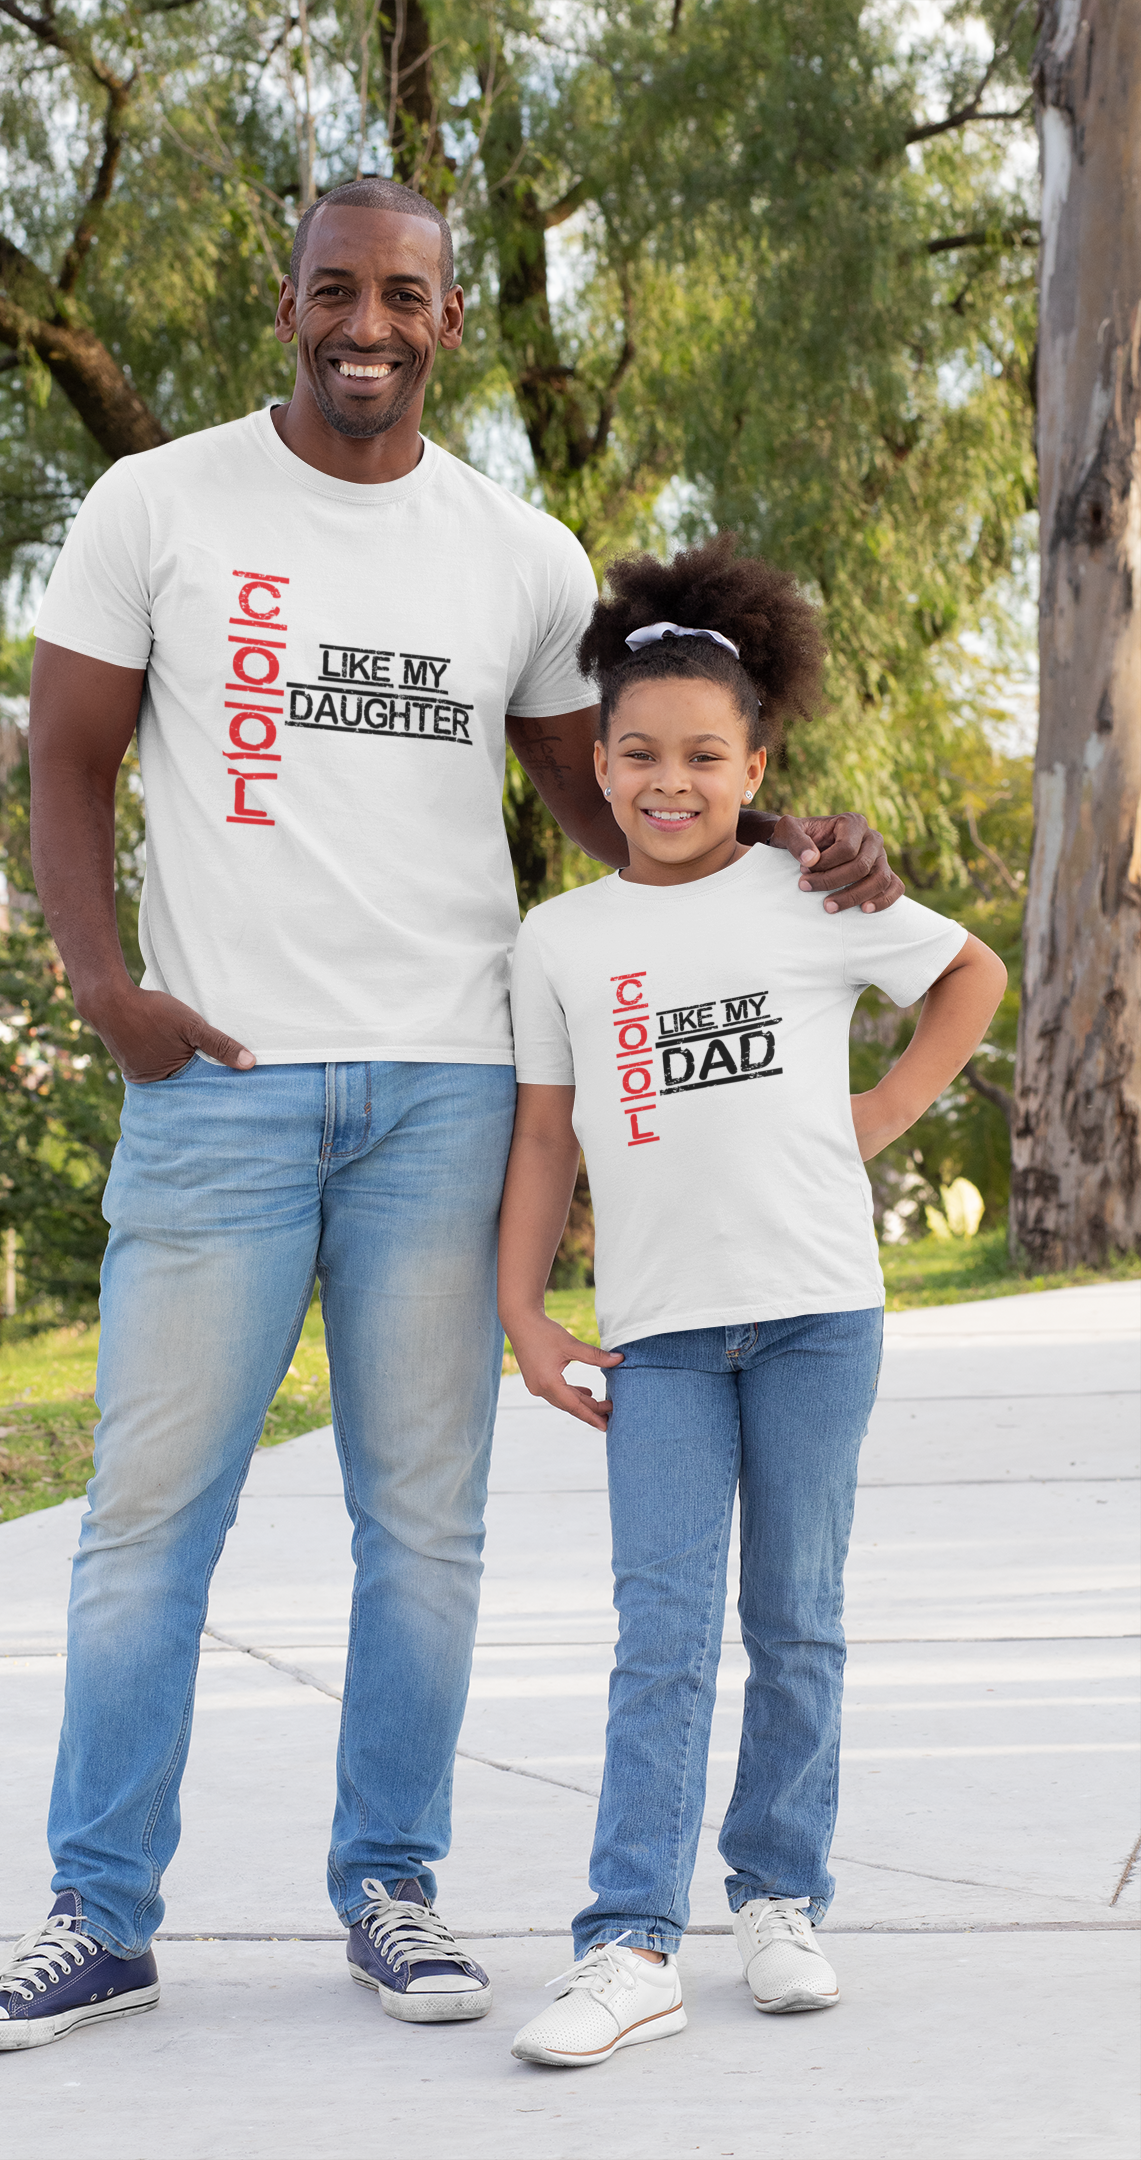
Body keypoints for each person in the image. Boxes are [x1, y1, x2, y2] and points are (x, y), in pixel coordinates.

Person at [0, 182, 904, 2054]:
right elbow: (67, 752)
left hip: (448, 1094)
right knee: (149, 1521)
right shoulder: (162, 507)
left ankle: (392, 1883)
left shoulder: (522, 556)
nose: (363, 322)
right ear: (285, 305)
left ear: (447, 321)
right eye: (331, 290)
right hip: (217, 1088)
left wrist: (795, 851)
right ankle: (99, 1912)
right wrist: (103, 989)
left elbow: (614, 797)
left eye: (401, 294)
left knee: (424, 1524)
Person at [498, 539, 1006, 2069]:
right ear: (596, 761)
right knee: (662, 1631)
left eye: (704, 757)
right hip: (657, 1336)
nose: (670, 781)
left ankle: (780, 1898)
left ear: (756, 763)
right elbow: (540, 1136)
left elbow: (971, 976)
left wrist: (876, 1114)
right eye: (639, 755)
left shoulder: (811, 891)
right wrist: (524, 1315)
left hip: (813, 1318)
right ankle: (630, 1944)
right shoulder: (561, 941)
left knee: (799, 1622)